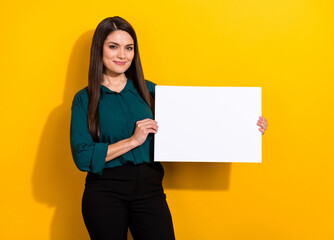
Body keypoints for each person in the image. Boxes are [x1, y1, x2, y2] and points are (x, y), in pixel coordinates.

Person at [70, 16, 268, 240]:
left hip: (149, 188)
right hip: (105, 191)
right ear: (99, 49)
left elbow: (198, 123)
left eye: (129, 48)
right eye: (113, 47)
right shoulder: (84, 99)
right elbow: (83, 155)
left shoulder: (151, 91)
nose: (122, 55)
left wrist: (247, 127)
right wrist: (133, 141)